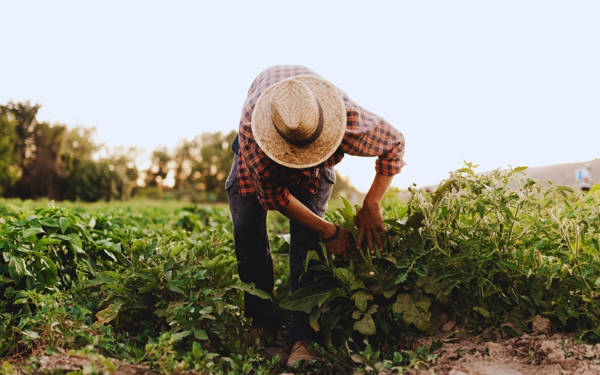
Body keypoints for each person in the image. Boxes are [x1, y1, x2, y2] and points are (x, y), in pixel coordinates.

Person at [225, 65, 405, 367]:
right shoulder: (254, 135)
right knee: (247, 230)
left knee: (307, 244)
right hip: (257, 157)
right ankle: (262, 318)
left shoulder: (344, 118)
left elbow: (394, 144)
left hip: (317, 144)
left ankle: (303, 335)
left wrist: (372, 203)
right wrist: (331, 231)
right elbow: (275, 197)